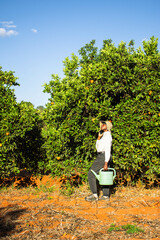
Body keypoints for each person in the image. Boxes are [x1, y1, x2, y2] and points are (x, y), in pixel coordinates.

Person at [85, 120, 113, 201]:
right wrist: (99, 137)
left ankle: (94, 195)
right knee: (104, 175)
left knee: (91, 173)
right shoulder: (104, 135)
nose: (102, 125)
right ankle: (105, 196)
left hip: (104, 156)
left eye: (104, 124)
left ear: (107, 126)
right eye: (102, 124)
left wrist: (106, 162)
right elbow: (97, 148)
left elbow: (108, 149)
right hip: (102, 155)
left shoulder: (108, 136)